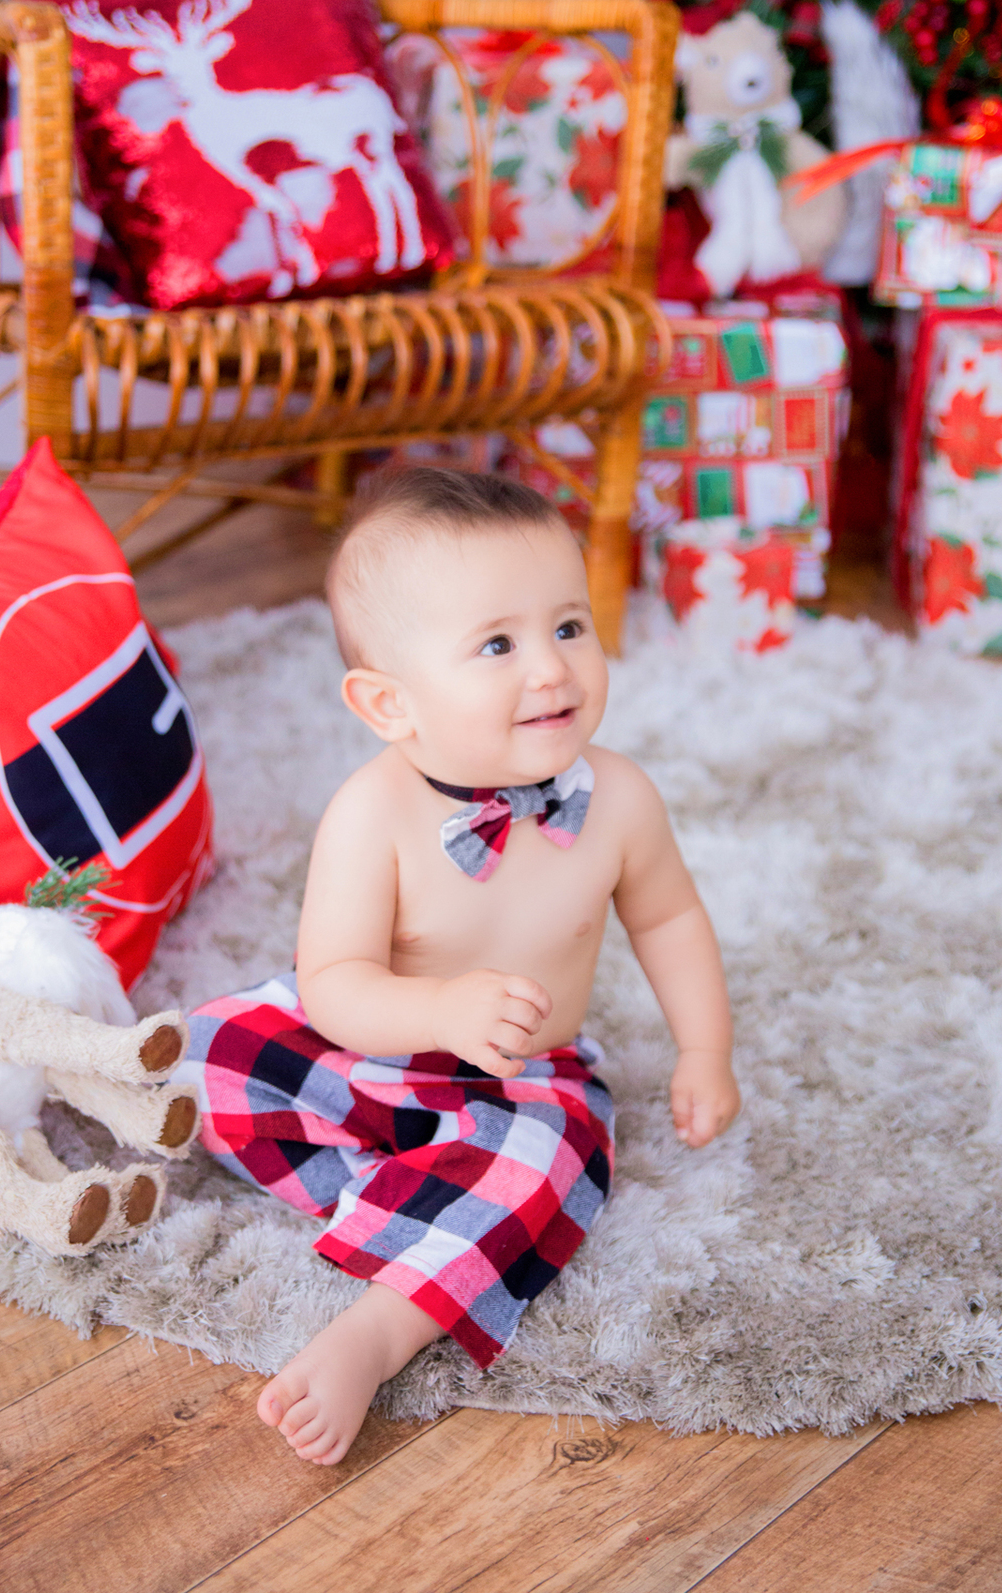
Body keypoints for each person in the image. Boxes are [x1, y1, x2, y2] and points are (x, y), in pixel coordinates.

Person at [178, 466, 740, 1465]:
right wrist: (437, 1010)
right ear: (389, 704)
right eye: (498, 645)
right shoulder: (372, 813)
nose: (553, 669)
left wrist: (706, 1051)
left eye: (569, 626)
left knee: (555, 1164)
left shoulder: (618, 799)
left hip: (523, 1075)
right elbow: (334, 985)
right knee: (209, 1052)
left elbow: (670, 918)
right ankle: (416, 1193)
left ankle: (380, 1329)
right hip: (377, 1044)